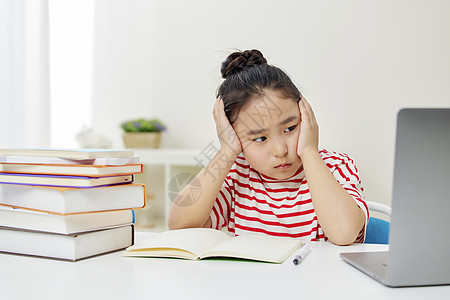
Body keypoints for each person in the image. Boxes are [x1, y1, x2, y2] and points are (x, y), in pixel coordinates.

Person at [168, 49, 368, 245]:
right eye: (260, 139)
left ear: (306, 116)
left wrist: (309, 152)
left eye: (290, 128)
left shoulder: (337, 166)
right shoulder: (238, 175)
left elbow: (344, 233)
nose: (280, 150)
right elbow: (180, 226)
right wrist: (227, 152)